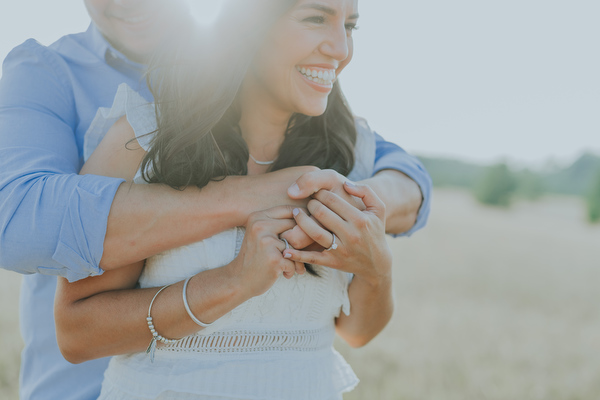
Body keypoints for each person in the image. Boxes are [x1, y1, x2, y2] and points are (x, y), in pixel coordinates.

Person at [0, 0, 431, 399]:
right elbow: (25, 234)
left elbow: (356, 330)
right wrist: (235, 274)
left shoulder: (345, 147)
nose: (340, 47)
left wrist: (377, 264)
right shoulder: (141, 133)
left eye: (350, 25)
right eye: (315, 18)